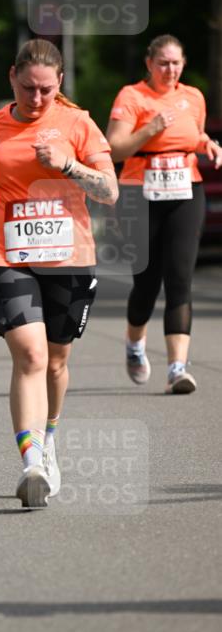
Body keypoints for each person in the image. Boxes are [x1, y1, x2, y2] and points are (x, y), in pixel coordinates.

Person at [0, 39, 118, 509]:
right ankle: (30, 461)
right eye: (28, 88)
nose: (36, 99)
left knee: (55, 362)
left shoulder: (77, 122)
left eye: (46, 90)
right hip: (6, 252)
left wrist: (68, 164)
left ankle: (48, 439)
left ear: (60, 84)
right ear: (13, 77)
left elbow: (109, 190)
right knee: (29, 355)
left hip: (68, 255)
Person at [106, 34, 222, 394]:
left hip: (186, 190)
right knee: (146, 282)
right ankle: (135, 343)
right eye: (163, 63)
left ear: (183, 64)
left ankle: (177, 368)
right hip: (139, 192)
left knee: (179, 278)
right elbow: (114, 148)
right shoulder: (132, 96)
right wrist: (151, 127)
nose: (170, 70)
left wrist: (209, 145)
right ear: (149, 64)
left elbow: (196, 134)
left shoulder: (193, 97)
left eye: (176, 63)